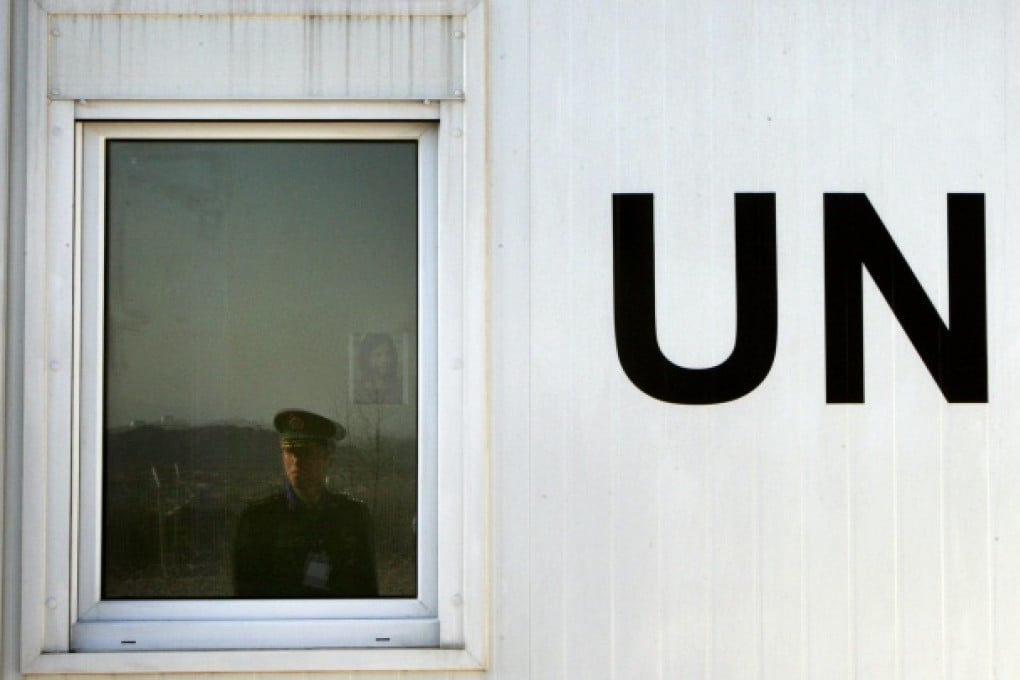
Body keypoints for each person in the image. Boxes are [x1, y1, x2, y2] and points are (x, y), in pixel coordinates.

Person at [233, 409, 378, 597]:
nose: (296, 461)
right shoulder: (257, 521)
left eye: (306, 451)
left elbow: (367, 591)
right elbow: (247, 598)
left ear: (328, 459)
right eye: (289, 451)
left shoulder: (353, 516)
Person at [353, 333, 404, 404]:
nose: (385, 360)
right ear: (367, 358)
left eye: (388, 354)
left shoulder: (401, 388)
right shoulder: (358, 390)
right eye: (378, 355)